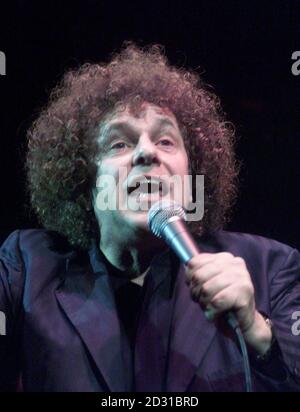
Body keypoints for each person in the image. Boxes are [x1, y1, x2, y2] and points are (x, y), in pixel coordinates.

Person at [0, 43, 299, 392]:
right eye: (119, 144)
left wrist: (256, 332)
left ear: (192, 176)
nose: (147, 151)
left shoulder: (272, 268)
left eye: (167, 141)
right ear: (85, 183)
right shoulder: (27, 267)